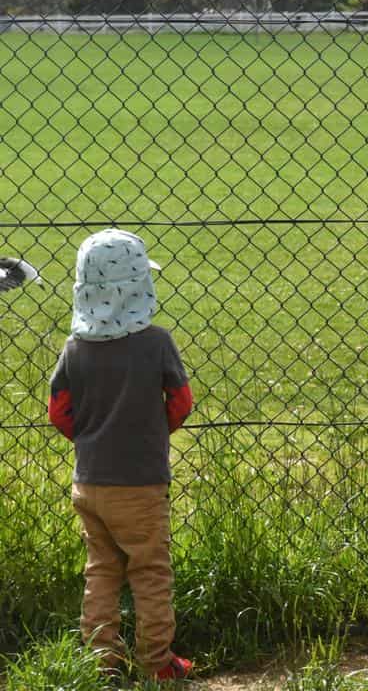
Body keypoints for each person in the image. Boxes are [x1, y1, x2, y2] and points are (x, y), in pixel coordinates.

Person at [48, 229, 195, 681]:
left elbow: (59, 411)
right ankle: (156, 663)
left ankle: (101, 661)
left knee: (101, 572)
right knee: (150, 571)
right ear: (139, 288)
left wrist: (92, 438)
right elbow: (181, 400)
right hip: (141, 483)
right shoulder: (156, 343)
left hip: (90, 481)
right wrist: (151, 432)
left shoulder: (74, 349)